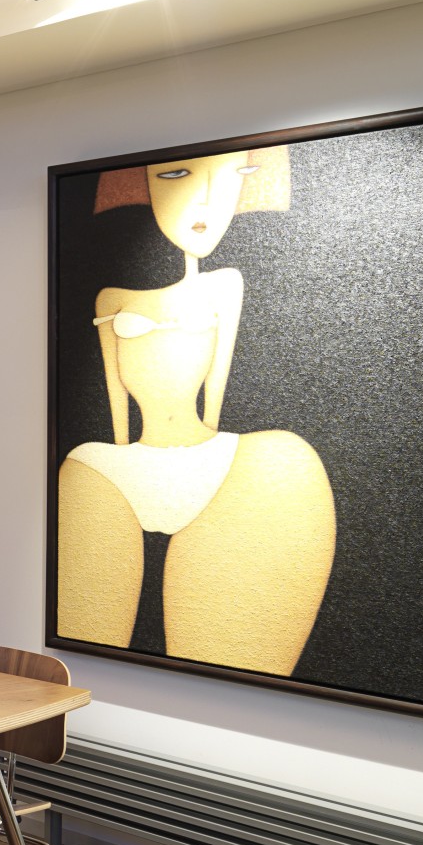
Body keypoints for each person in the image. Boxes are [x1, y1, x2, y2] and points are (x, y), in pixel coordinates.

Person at [57, 146, 334, 676]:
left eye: (234, 175)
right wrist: (123, 451)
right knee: (80, 648)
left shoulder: (224, 286)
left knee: (285, 464)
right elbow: (112, 389)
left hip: (208, 452)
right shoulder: (112, 297)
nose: (204, 199)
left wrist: (209, 438)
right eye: (177, 173)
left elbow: (219, 380)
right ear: (141, 185)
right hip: (124, 462)